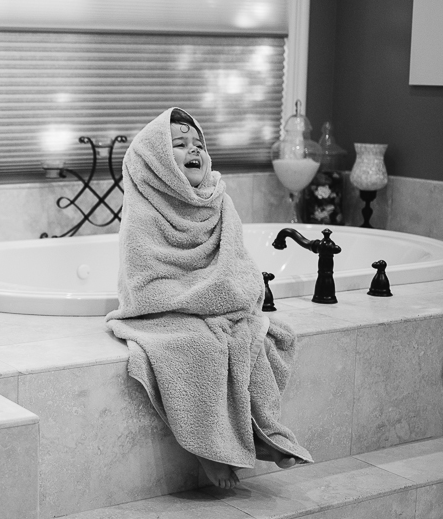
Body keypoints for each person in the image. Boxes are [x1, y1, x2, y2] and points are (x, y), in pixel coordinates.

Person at [106, 107, 311, 490]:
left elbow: (237, 264)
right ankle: (207, 450)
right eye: (179, 145)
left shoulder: (218, 199)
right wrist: (195, 298)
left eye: (197, 143)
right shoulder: (144, 207)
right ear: (158, 162)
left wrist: (226, 295)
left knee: (260, 335)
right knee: (193, 343)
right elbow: (145, 279)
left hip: (213, 301)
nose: (192, 150)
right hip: (166, 306)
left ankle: (261, 433)